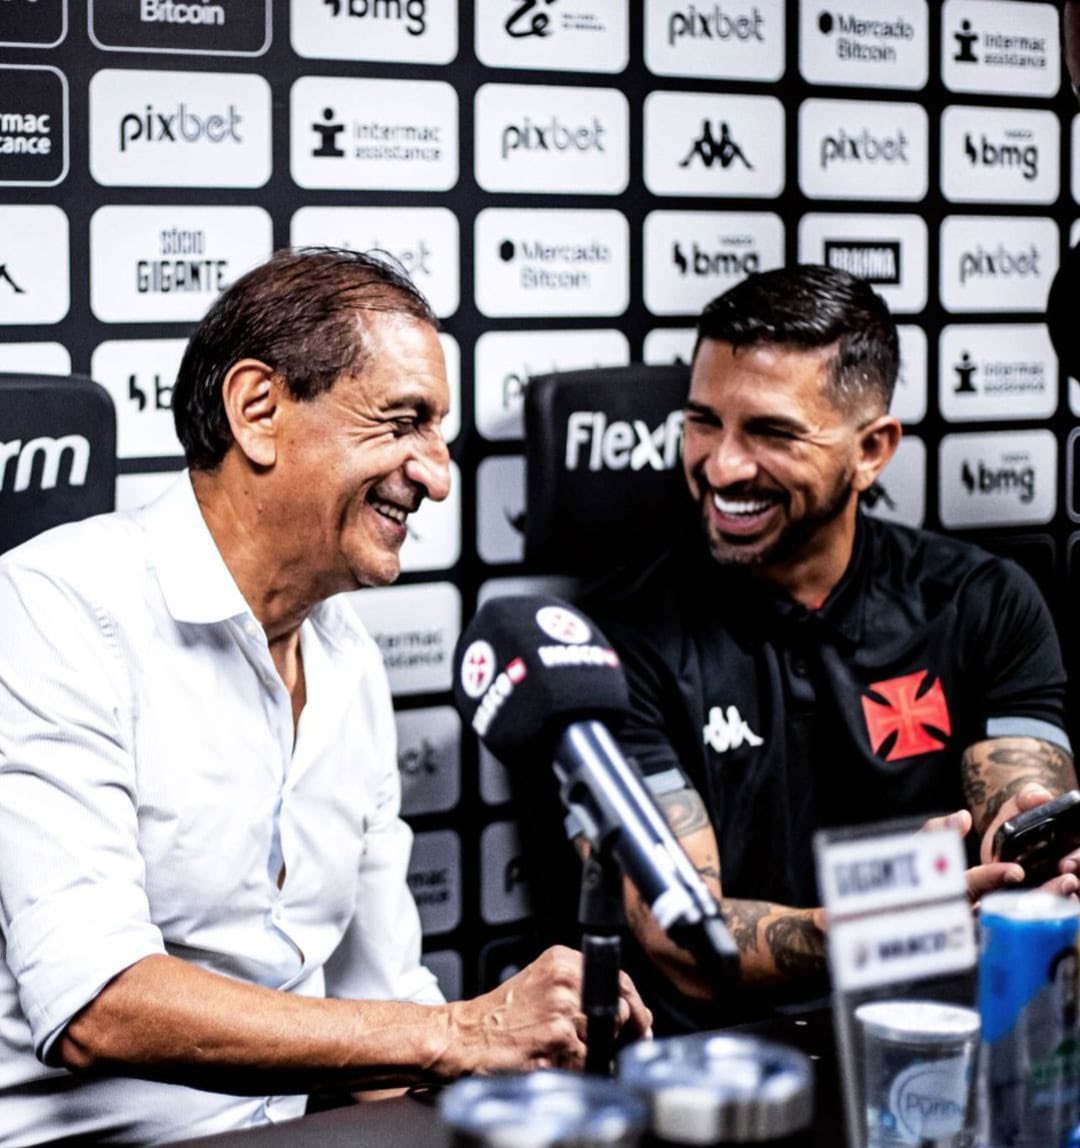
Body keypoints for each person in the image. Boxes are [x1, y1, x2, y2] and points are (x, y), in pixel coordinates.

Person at [0, 248, 650, 1145]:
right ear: (258, 411)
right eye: (403, 422)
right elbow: (95, 1003)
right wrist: (459, 1033)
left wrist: (523, 1074)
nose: (437, 474)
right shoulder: (52, 608)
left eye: (438, 432)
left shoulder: (348, 660)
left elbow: (385, 1006)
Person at [585, 264, 1078, 1022]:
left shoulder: (983, 600)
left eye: (771, 432)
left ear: (872, 449)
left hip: (945, 1034)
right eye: (703, 422)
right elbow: (682, 939)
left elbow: (1023, 809)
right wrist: (895, 917)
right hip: (731, 1062)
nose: (722, 465)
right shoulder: (615, 640)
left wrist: (1026, 843)